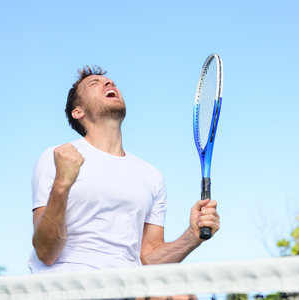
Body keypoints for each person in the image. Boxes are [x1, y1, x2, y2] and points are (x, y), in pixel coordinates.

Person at [28, 65, 220, 273]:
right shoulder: (58, 156)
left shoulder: (152, 176)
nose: (109, 83)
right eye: (94, 83)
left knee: (181, 294)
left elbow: (148, 259)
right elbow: (46, 252)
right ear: (78, 111)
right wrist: (61, 185)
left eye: (111, 82)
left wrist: (192, 237)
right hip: (68, 284)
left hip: (127, 287)